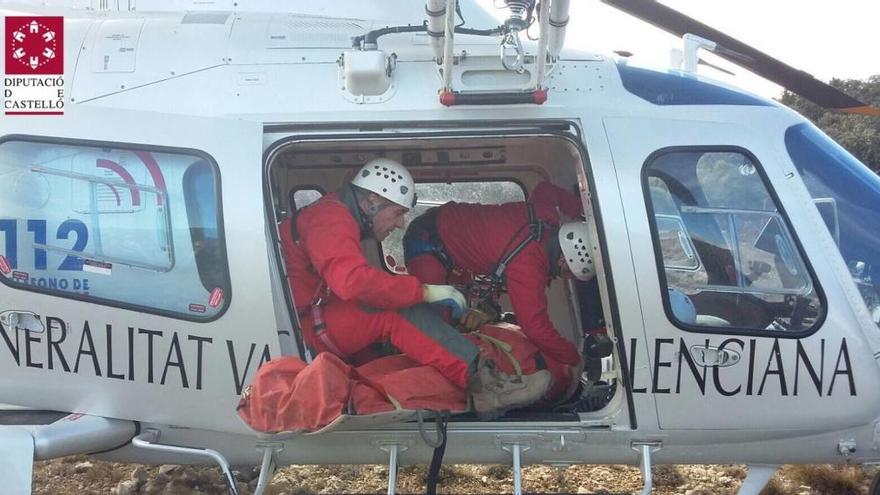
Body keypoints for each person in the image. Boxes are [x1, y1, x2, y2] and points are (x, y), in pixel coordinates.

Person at [280, 158, 551, 418]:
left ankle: (385, 397)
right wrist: (424, 291)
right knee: (396, 312)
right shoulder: (331, 218)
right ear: (372, 201)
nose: (400, 224)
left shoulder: (333, 215)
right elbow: (353, 282)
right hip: (308, 327)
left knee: (385, 341)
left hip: (316, 317)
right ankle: (487, 386)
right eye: (397, 213)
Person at [403, 183, 596, 399]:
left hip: (448, 231)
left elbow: (545, 189)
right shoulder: (528, 265)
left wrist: (581, 209)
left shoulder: (546, 216)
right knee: (436, 327)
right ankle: (429, 386)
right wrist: (573, 358)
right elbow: (534, 326)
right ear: (563, 259)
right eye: (568, 273)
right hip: (426, 240)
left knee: (459, 318)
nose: (564, 277)